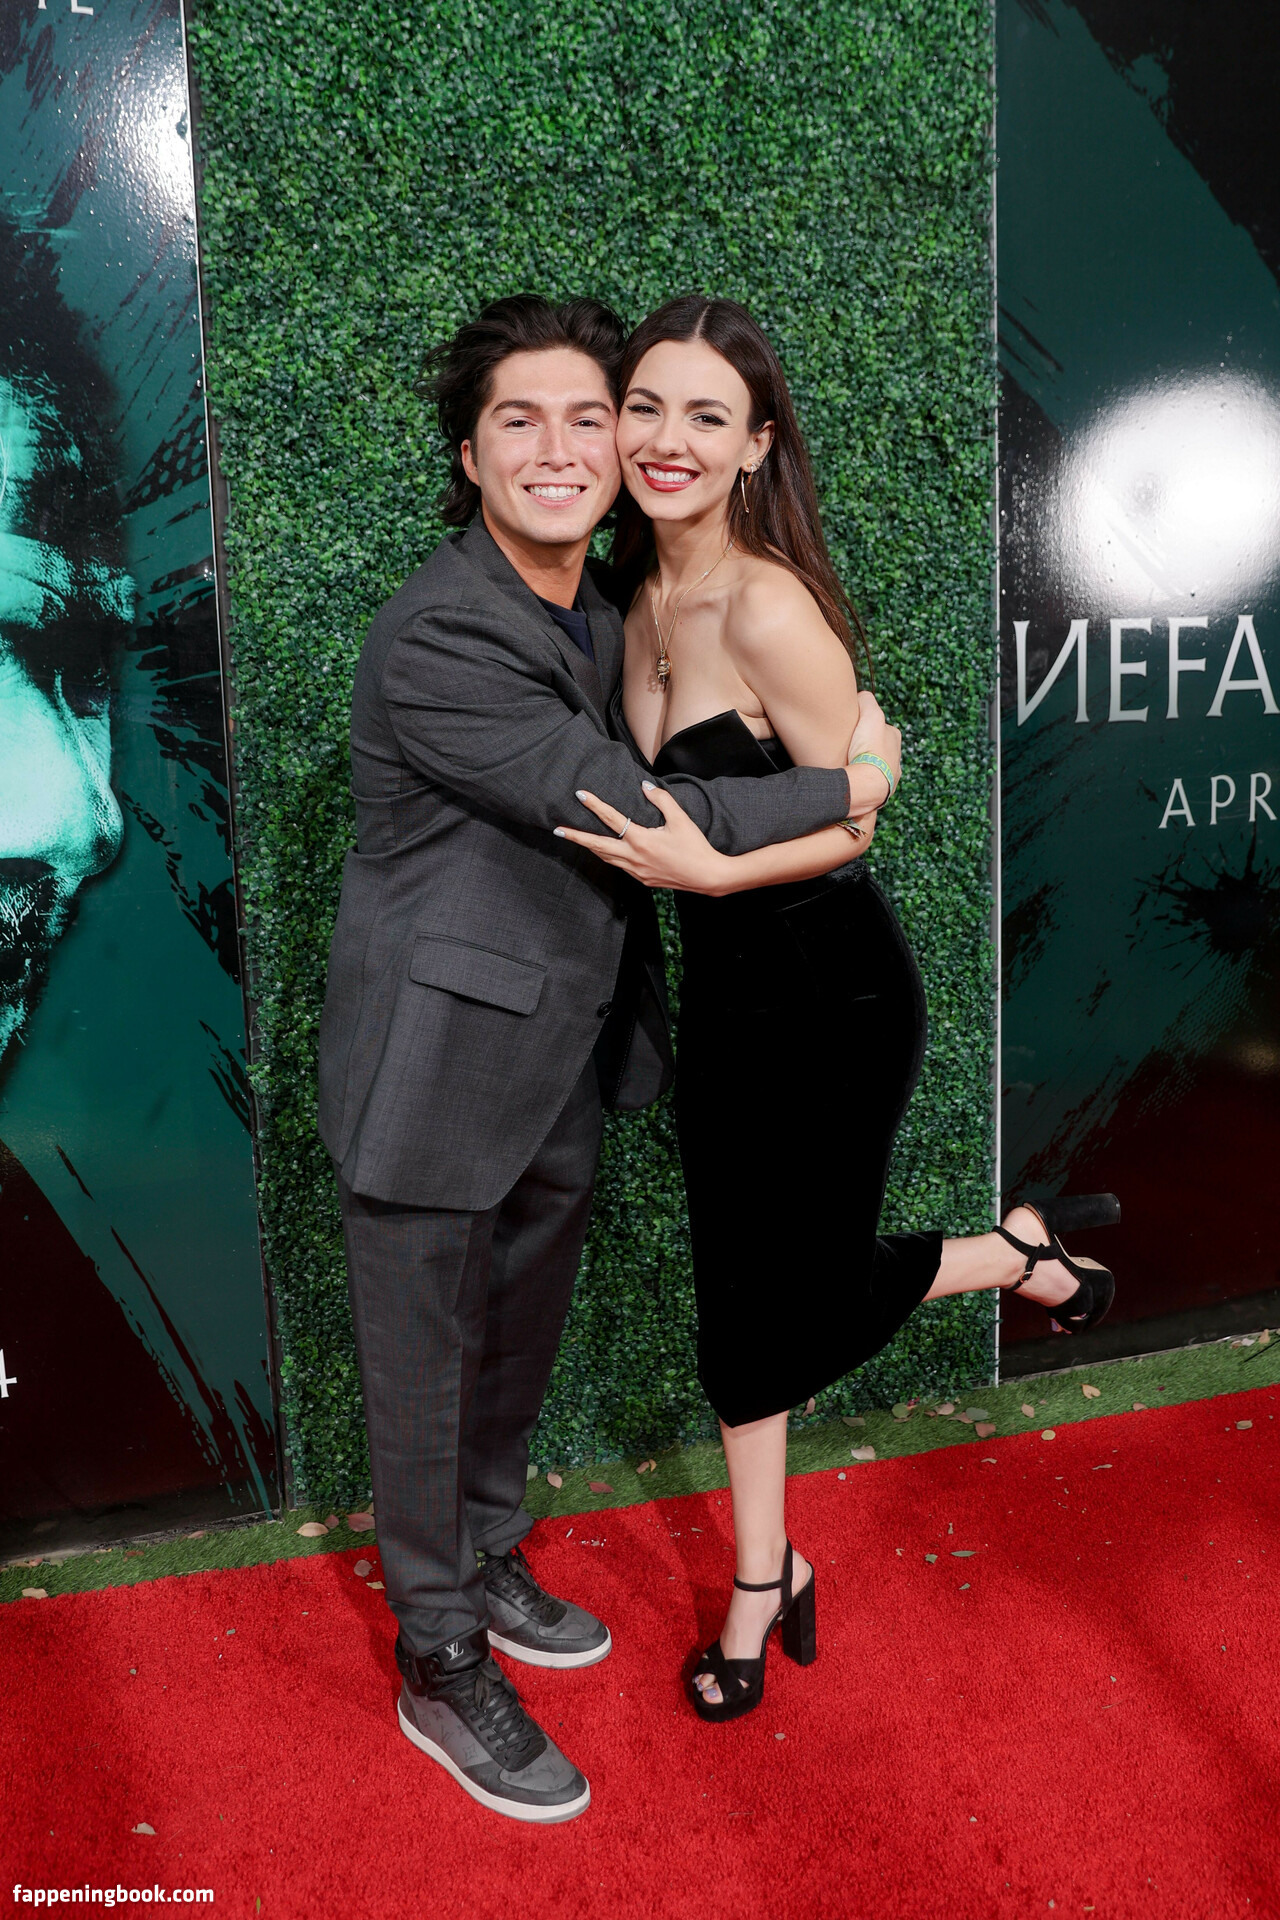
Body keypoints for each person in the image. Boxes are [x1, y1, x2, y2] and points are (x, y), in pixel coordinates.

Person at [316, 295, 900, 1821]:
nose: (567, 448)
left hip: (560, 1060)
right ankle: (438, 1651)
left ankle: (487, 1555)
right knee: (425, 1373)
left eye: (593, 415)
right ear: (470, 456)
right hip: (437, 1069)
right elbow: (639, 816)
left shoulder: (595, 608)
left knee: (514, 1343)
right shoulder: (444, 629)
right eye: (521, 421)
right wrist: (850, 783)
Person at [556, 295, 1119, 1724]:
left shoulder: (766, 605)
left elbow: (854, 818)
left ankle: (1006, 1262)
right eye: (646, 407)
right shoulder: (627, 598)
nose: (668, 440)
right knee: (737, 1306)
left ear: (755, 445)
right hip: (724, 1002)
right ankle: (774, 1562)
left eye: (706, 416)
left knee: (777, 1311)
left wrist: (707, 866)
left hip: (832, 994)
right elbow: (850, 768)